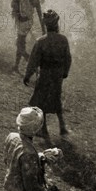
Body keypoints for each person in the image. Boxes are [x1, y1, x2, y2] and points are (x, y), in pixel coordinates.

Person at [24, 10, 72, 138]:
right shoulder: (63, 40)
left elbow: (33, 60)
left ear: (46, 25)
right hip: (57, 75)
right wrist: (65, 72)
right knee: (56, 97)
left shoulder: (41, 41)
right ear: (56, 24)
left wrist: (28, 75)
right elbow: (68, 58)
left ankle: (43, 129)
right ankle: (62, 126)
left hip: (45, 73)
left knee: (40, 100)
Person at [2, 107, 61, 191]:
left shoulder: (11, 137)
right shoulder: (30, 153)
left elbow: (10, 160)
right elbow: (31, 187)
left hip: (9, 190)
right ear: (36, 128)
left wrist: (41, 156)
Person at [8, 0, 45, 73]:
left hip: (22, 23)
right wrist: (43, 28)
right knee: (21, 43)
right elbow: (40, 15)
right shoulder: (35, 0)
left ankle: (32, 63)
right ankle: (16, 66)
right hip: (28, 22)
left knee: (19, 45)